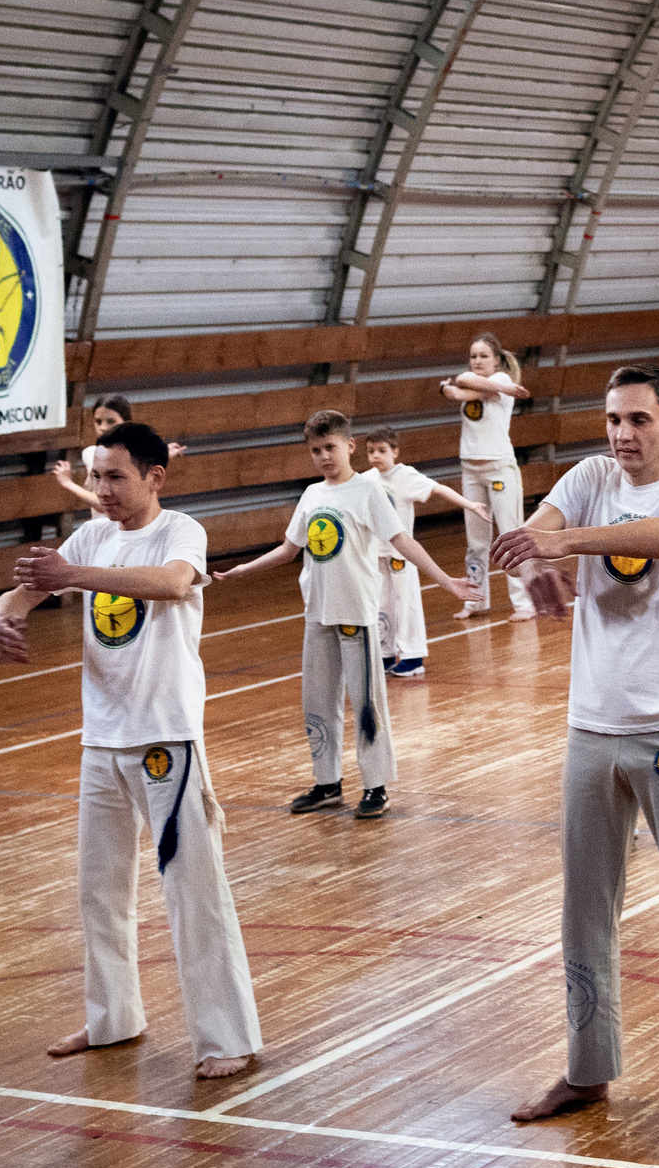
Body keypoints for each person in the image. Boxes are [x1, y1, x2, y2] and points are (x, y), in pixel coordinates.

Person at [491, 364, 659, 1144]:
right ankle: (587, 1066)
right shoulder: (586, 477)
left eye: (640, 419)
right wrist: (540, 561)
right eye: (613, 419)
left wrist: (565, 543)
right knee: (585, 910)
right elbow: (539, 530)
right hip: (591, 729)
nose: (623, 434)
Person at [0, 423, 264, 1081]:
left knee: (192, 891)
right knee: (99, 890)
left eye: (115, 476)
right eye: (97, 476)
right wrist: (4, 611)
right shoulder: (92, 535)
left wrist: (72, 573)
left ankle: (229, 1034)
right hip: (101, 739)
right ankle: (113, 1015)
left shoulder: (181, 532)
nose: (103, 489)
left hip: (166, 739)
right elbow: (29, 589)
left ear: (154, 478)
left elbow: (171, 585)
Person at [216, 410, 469, 819]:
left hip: (357, 614)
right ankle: (327, 782)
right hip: (317, 612)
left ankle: (375, 786)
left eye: (330, 447)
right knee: (317, 701)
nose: (324, 457)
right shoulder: (312, 496)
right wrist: (244, 569)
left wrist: (446, 581)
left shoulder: (368, 493)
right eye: (315, 450)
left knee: (367, 702)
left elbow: (402, 541)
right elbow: (288, 549)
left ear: (350, 446)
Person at [358, 427, 486, 679]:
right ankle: (384, 654)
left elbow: (437, 489)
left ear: (395, 452)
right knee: (381, 604)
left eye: (382, 451)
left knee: (406, 604)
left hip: (402, 553)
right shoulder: (366, 480)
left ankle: (412, 657)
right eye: (371, 451)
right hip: (376, 553)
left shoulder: (405, 476)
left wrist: (468, 504)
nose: (376, 456)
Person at [445, 331, 534, 621]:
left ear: (496, 360)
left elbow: (461, 384)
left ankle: (524, 603)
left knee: (510, 534)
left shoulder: (503, 381)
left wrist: (452, 386)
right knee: (476, 541)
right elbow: (461, 387)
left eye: (484, 356)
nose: (478, 360)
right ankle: (475, 600)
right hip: (470, 470)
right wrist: (451, 387)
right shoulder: (482, 383)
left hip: (499, 468)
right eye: (474, 356)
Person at [50, 396, 188, 512]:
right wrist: (67, 483)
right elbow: (102, 504)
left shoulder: (136, 454)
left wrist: (68, 483)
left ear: (126, 422)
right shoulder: (91, 454)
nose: (103, 427)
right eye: (98, 421)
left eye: (111, 421)